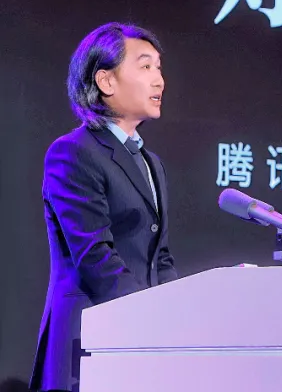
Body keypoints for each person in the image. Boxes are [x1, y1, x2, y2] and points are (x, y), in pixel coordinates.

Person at [30, 23, 178, 392]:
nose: (159, 80)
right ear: (106, 81)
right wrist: (152, 319)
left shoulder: (152, 164)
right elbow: (96, 257)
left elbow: (160, 258)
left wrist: (179, 317)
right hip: (87, 345)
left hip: (141, 346)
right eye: (145, 67)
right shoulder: (73, 152)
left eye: (159, 68)